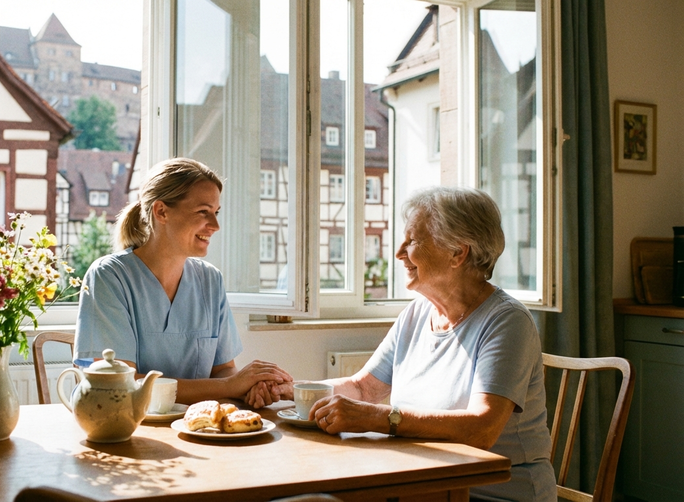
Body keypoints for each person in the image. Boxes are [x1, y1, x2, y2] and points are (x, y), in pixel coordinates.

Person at [261, 186, 556, 501]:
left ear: (458, 252)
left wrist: (376, 417)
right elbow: (364, 389)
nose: (399, 252)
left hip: (491, 494)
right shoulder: (417, 313)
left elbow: (481, 429)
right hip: (421, 482)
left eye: (413, 241)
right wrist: (293, 390)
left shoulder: (507, 321)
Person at [73, 157, 291, 407]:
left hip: (199, 427)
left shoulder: (210, 280)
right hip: (128, 430)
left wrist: (249, 388)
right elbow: (121, 385)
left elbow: (223, 371)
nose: (215, 225)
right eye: (203, 212)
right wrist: (230, 386)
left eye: (216, 212)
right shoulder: (109, 276)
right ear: (161, 211)